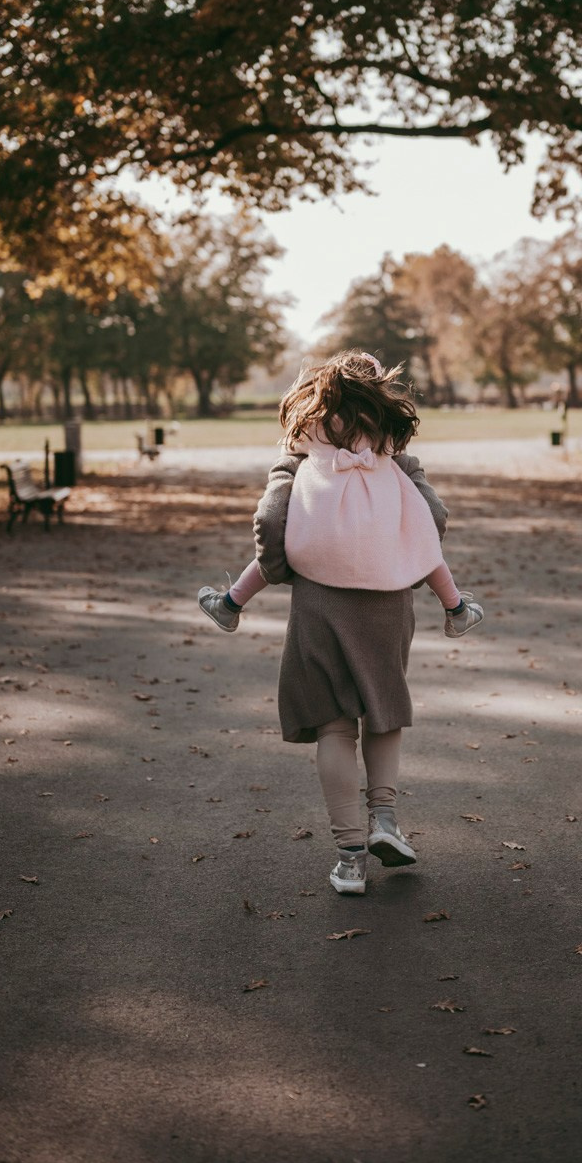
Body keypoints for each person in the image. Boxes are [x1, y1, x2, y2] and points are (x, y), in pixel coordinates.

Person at [196, 350, 483, 895]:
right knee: (383, 710)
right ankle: (385, 820)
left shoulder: (301, 450)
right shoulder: (396, 456)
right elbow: (435, 520)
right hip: (388, 602)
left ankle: (350, 857)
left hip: (320, 604)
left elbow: (271, 519)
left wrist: (281, 568)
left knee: (333, 723)